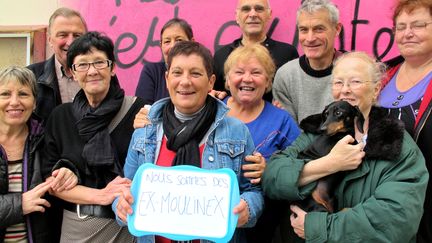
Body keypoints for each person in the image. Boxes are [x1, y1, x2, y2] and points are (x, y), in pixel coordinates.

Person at [262, 52, 428, 242]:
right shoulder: (316, 132)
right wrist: (329, 164)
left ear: (376, 89)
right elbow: (272, 177)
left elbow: (396, 220)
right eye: (338, 82)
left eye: (355, 82)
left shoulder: (396, 145)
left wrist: (317, 226)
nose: (345, 90)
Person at [114, 41, 264, 243]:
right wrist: (120, 206)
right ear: (167, 79)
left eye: (195, 73)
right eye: (177, 73)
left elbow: (254, 191)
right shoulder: (144, 132)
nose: (185, 82)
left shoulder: (236, 132)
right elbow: (125, 188)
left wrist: (247, 207)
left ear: (211, 81)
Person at [42, 31, 146, 242]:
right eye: (82, 64)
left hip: (127, 226)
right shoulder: (60, 117)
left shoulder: (140, 111)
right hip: (77, 227)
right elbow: (50, 182)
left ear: (113, 67)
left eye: (99, 62)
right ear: (72, 72)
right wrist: (102, 196)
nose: (92, 71)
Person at [223, 44, 300, 242]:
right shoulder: (210, 111)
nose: (247, 78)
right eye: (239, 72)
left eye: (256, 72)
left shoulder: (281, 121)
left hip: (263, 228)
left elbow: (301, 166)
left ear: (267, 81)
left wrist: (271, 169)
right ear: (227, 79)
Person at [0, 66, 76, 243]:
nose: (14, 102)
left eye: (23, 94)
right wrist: (20, 205)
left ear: (34, 102)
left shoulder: (45, 137)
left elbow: (65, 165)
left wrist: (69, 173)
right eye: (5, 94)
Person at [378, 0, 432, 242]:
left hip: (426, 206)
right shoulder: (382, 75)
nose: (408, 33)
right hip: (379, 204)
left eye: (418, 25)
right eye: (401, 27)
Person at [272, 0, 343, 124]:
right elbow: (289, 133)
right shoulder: (286, 76)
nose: (310, 38)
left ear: (337, 29)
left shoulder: (354, 72)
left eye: (319, 29)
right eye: (304, 30)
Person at [213, 0, 299, 102]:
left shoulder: (287, 54)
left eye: (259, 9)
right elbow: (214, 96)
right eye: (246, 9)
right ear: (236, 16)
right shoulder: (221, 56)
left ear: (269, 14)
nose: (253, 14)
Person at [27, 7, 87, 122]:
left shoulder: (101, 73)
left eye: (77, 36)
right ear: (50, 40)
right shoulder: (32, 77)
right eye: (63, 35)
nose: (70, 42)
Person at [135, 18, 194, 105]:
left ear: (192, 42)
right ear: (161, 45)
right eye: (167, 41)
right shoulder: (152, 71)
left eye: (179, 40)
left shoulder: (201, 71)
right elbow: (142, 110)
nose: (173, 46)